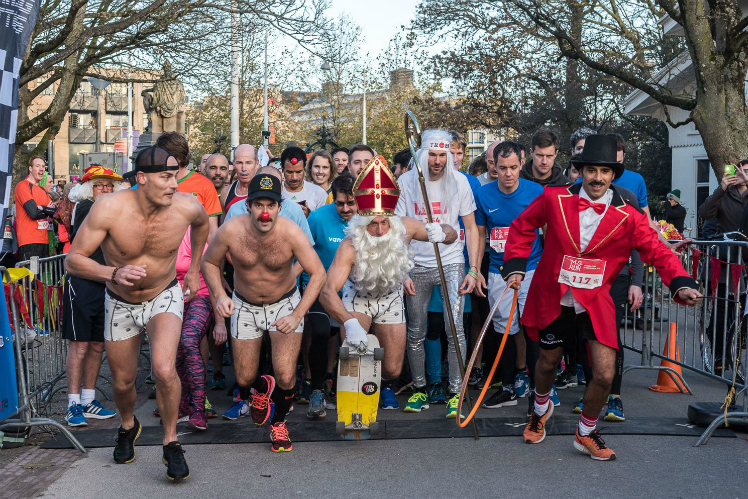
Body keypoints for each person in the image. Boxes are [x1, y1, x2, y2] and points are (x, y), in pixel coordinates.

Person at [502, 134, 701, 461]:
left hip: (595, 301)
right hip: (553, 294)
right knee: (548, 362)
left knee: (605, 372)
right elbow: (522, 227)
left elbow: (656, 250)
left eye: (605, 171)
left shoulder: (630, 216)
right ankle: (540, 408)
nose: (597, 177)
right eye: (591, 170)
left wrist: (680, 283)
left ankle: (585, 432)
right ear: (580, 171)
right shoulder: (554, 198)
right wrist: (515, 266)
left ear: (613, 175)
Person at [65, 146, 209, 480]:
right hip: (120, 301)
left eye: (175, 176)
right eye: (166, 177)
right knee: (123, 381)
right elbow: (74, 260)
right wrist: (113, 273)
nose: (174, 184)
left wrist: (193, 269)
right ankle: (128, 425)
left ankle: (171, 442)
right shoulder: (109, 208)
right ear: (142, 178)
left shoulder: (187, 205)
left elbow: (202, 226)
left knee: (162, 368)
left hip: (164, 295)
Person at [201, 172, 325, 453]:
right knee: (244, 379)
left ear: (280, 207)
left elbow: (317, 273)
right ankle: (260, 390)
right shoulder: (232, 230)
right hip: (244, 304)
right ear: (249, 206)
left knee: (285, 375)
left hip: (284, 303)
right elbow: (209, 262)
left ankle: (278, 423)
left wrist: (297, 315)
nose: (265, 212)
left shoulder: (291, 232)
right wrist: (220, 295)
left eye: (271, 205)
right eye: (259, 205)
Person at [320, 157, 457, 410]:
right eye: (374, 223)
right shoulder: (350, 245)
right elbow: (327, 292)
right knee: (354, 358)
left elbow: (452, 234)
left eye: (385, 222)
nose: (381, 230)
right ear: (362, 223)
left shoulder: (404, 227)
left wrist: (441, 232)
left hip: (391, 297)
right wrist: (349, 323)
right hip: (358, 297)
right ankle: (353, 410)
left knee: (392, 369)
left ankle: (374, 384)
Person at [395, 129, 485, 418]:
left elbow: (471, 227)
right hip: (416, 265)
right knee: (416, 331)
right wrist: (401, 270)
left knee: (454, 327)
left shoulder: (459, 181)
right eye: (432, 154)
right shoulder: (407, 181)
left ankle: (456, 392)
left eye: (442, 155)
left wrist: (473, 268)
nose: (437, 161)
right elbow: (399, 230)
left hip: (451, 261)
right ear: (422, 154)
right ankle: (420, 388)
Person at [474, 141, 544, 409]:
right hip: (498, 270)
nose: (508, 174)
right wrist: (475, 269)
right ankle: (507, 386)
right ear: (494, 166)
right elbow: (480, 234)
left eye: (513, 167)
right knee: (504, 329)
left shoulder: (536, 192)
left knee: (532, 327)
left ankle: (539, 389)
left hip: (531, 268)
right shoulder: (484, 194)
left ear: (522, 163)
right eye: (502, 168)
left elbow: (547, 231)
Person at [63, 166, 128, 427]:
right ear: (89, 188)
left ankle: (88, 399)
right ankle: (72, 403)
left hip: (105, 281)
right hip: (82, 282)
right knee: (79, 345)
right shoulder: (87, 208)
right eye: (101, 185)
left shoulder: (105, 208)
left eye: (110, 186)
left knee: (97, 344)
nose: (106, 190)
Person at [303, 174, 357, 417]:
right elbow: (301, 253)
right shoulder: (317, 218)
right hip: (318, 287)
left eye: (350, 203)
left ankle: (342, 387)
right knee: (322, 332)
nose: (345, 209)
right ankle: (316, 390)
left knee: (347, 337)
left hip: (352, 291)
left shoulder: (369, 220)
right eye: (339, 203)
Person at [156, 132, 222, 239]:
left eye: (164, 155)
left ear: (179, 158)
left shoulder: (204, 185)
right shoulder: (156, 183)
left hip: (193, 252)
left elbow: (211, 230)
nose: (160, 159)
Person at [14, 156, 56, 261]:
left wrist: (42, 208)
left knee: (41, 275)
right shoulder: (22, 186)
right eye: (38, 166)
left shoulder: (42, 189)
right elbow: (33, 213)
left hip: (44, 240)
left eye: (43, 166)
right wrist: (47, 210)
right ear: (30, 168)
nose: (41, 169)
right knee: (32, 275)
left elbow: (55, 212)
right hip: (29, 241)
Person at [280, 146, 327, 216]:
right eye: (289, 172)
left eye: (299, 172)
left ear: (304, 167)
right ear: (282, 168)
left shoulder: (319, 194)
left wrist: (309, 216)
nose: (294, 178)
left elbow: (324, 222)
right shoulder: (275, 191)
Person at [221, 144, 259, 214]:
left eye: (248, 163)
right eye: (239, 163)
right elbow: (224, 224)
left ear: (256, 164)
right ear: (234, 164)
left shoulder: (266, 190)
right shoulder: (226, 193)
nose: (244, 168)